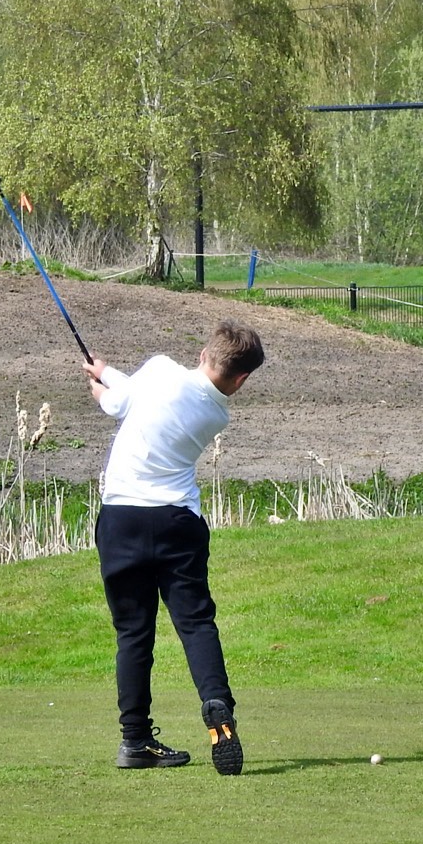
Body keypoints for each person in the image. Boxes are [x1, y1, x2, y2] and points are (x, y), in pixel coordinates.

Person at [83, 318, 264, 777]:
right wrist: (108, 372)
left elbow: (119, 403)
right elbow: (138, 396)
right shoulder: (216, 414)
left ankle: (135, 740)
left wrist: (100, 384)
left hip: (121, 519)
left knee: (133, 634)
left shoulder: (162, 368)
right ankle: (217, 702)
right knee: (196, 623)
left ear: (203, 354)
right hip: (177, 523)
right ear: (240, 380)